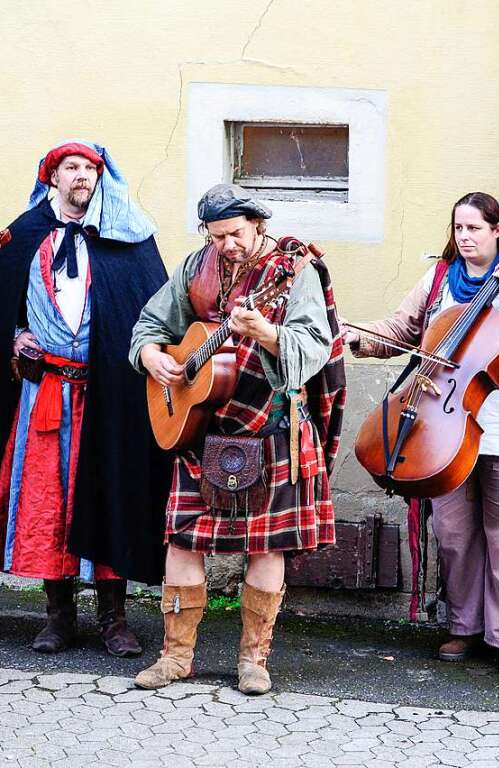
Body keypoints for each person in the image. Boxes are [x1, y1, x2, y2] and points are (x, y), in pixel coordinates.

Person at [0, 140, 171, 656]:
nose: (81, 176)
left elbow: (154, 310)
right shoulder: (23, 237)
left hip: (109, 395)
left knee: (108, 492)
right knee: (48, 503)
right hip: (44, 395)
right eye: (71, 168)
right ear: (52, 178)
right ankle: (58, 615)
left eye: (90, 168)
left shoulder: (130, 241)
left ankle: (114, 618)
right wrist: (12, 337)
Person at [345, 192, 499, 675]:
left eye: (474, 228)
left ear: (498, 232)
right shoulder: (438, 282)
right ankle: (462, 626)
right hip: (442, 432)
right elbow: (401, 328)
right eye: (458, 228)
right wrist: (357, 336)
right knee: (452, 532)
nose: (464, 237)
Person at [128, 183, 345, 694]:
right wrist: (151, 356)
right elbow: (149, 323)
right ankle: (175, 657)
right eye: (217, 235)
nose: (227, 245)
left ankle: (254, 661)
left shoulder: (295, 272)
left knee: (266, 548)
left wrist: (265, 332)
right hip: (201, 427)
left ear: (258, 224)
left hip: (269, 425)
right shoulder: (197, 267)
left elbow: (315, 347)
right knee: (182, 540)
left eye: (235, 233)